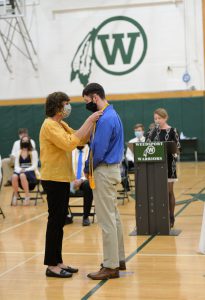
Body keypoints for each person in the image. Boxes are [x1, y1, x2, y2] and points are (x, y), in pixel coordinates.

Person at [40, 91, 102, 279]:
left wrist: (93, 125)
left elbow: (78, 138)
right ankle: (51, 265)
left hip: (61, 179)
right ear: (58, 106)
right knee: (55, 222)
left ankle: (58, 261)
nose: (68, 107)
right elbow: (69, 144)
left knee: (59, 222)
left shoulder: (60, 124)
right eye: (66, 103)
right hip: (53, 179)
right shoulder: (49, 125)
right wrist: (90, 120)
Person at [83, 83, 126, 280]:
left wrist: (87, 167)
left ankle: (110, 266)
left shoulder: (105, 118)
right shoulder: (112, 114)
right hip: (112, 170)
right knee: (114, 216)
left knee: (106, 219)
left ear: (95, 97)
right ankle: (118, 259)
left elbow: (98, 150)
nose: (87, 105)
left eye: (87, 101)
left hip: (103, 171)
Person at [146, 108, 180, 228]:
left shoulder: (173, 131)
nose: (157, 120)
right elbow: (145, 147)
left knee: (169, 192)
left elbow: (178, 149)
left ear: (165, 118)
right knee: (157, 192)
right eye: (155, 118)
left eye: (159, 118)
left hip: (169, 165)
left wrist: (173, 150)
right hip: (155, 166)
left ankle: (171, 216)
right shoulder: (151, 132)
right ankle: (160, 216)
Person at [65, 144, 93, 226]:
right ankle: (67, 215)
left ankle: (86, 217)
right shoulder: (70, 151)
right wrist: (71, 180)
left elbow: (91, 170)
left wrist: (81, 180)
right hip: (71, 180)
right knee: (60, 185)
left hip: (84, 180)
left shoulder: (90, 151)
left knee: (88, 185)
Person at [11, 136, 39, 206]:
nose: (25, 142)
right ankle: (16, 195)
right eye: (23, 141)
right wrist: (20, 170)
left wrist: (25, 170)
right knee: (14, 176)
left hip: (30, 172)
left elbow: (34, 166)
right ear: (21, 142)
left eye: (26, 141)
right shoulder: (18, 152)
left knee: (22, 175)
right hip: (20, 170)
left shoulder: (33, 152)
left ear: (29, 142)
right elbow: (16, 165)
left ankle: (27, 196)